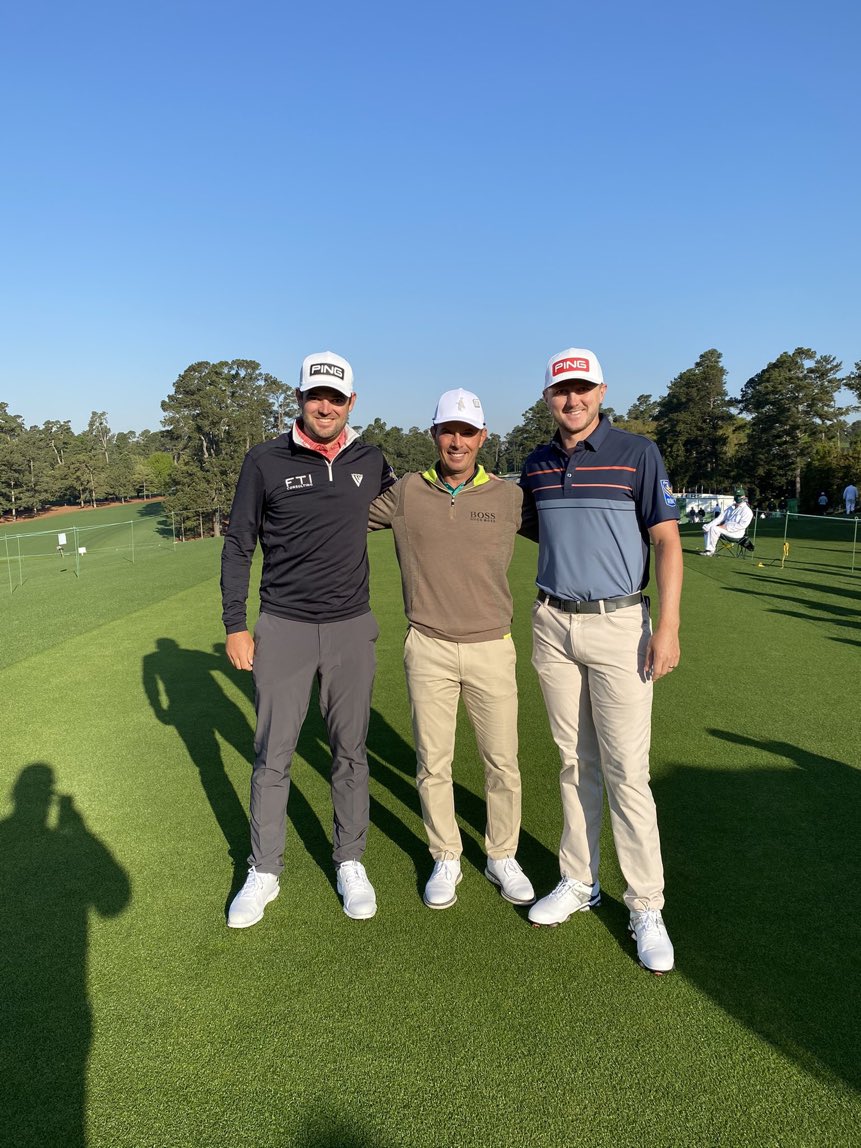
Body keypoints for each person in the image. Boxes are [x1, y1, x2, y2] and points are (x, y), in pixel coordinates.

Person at [519, 346, 682, 974]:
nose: (573, 400)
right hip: (552, 623)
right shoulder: (535, 464)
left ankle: (645, 904)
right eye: (562, 391)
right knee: (571, 760)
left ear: (602, 391)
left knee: (626, 772)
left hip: (621, 626)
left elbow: (666, 540)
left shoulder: (637, 453)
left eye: (583, 389)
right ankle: (579, 881)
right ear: (548, 397)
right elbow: (538, 529)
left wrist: (666, 625)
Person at [220, 351, 395, 928]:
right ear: (299, 398)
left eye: (336, 397)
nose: (325, 405)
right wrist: (235, 624)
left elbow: (414, 513)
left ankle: (350, 860)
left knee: (350, 751)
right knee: (274, 754)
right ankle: (264, 870)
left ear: (351, 403)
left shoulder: (372, 461)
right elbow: (239, 543)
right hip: (284, 627)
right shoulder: (265, 460)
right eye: (315, 395)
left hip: (351, 627)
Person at [368, 389, 534, 910]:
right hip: (429, 645)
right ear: (433, 434)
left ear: (483, 437)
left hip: (491, 646)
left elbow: (568, 535)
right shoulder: (405, 493)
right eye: (448, 430)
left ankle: (502, 854)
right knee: (433, 764)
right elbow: (337, 518)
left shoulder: (509, 497)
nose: (457, 441)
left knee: (502, 763)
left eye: (467, 432)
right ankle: (446, 855)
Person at [700, 488, 754, 555]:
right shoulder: (731, 508)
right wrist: (708, 525)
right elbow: (719, 518)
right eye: (736, 495)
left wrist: (725, 527)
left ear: (744, 497)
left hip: (736, 534)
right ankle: (707, 549)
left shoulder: (747, 511)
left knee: (714, 528)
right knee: (707, 527)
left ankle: (710, 551)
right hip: (725, 530)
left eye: (739, 496)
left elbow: (742, 526)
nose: (737, 497)